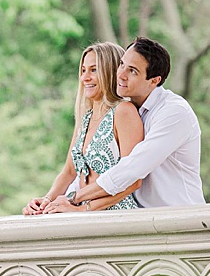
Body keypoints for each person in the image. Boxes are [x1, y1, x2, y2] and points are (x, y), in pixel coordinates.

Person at [61, 37, 206, 209]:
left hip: (180, 219)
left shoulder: (173, 112)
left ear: (154, 81)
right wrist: (51, 201)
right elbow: (84, 170)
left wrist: (75, 199)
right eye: (122, 64)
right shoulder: (124, 111)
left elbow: (132, 169)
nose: (121, 74)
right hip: (143, 219)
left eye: (133, 71)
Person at [24, 42, 144, 215]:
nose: (85, 77)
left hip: (115, 215)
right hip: (82, 213)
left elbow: (133, 180)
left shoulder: (124, 112)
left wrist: (82, 209)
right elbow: (69, 171)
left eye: (94, 70)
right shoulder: (85, 117)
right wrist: (46, 201)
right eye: (83, 70)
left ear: (110, 72)